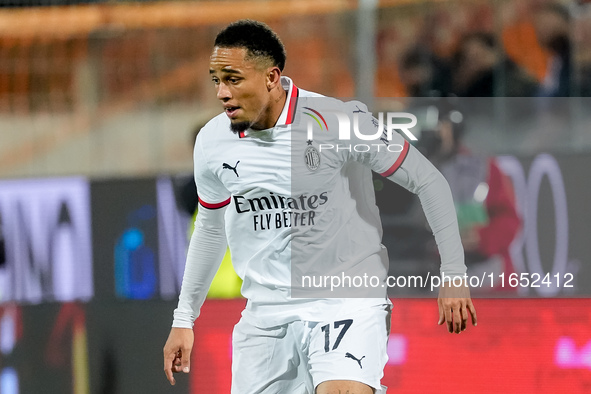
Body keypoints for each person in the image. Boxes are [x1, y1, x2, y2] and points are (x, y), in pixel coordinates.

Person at [163, 19, 477, 394]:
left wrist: (454, 272)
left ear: (271, 77)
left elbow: (428, 179)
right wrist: (184, 318)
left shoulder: (338, 121)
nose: (222, 92)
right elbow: (211, 229)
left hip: (345, 301)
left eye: (233, 79)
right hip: (265, 316)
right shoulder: (213, 140)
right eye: (216, 80)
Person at [415, 101, 521, 291]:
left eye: (442, 125)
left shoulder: (484, 168)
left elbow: (509, 220)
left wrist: (481, 238)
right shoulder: (409, 169)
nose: (436, 132)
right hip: (431, 278)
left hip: (487, 278)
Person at [452, 32, 539, 97]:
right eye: (468, 58)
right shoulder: (467, 85)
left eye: (479, 55)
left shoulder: (507, 75)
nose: (475, 62)